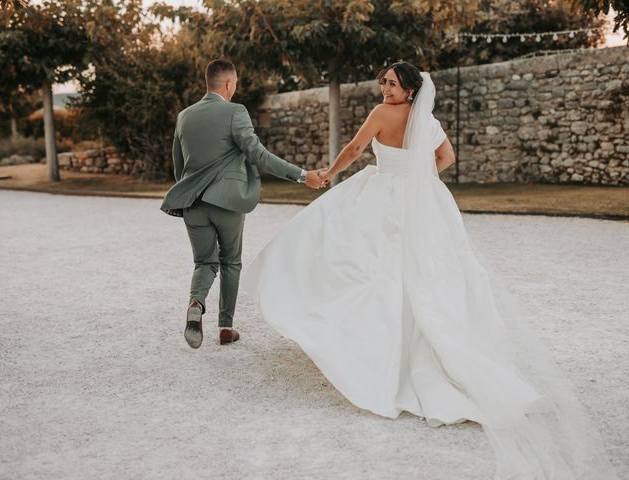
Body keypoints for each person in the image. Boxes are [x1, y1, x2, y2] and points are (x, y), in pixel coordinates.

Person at [243, 62, 618, 479]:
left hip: (383, 195)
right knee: (416, 271)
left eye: (393, 83)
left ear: (409, 89)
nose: (385, 89)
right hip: (422, 201)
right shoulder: (427, 120)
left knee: (357, 260)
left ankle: (373, 348)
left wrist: (327, 175)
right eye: (384, 82)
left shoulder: (381, 115)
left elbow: (353, 150)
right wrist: (419, 180)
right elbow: (447, 156)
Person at [160, 59, 326, 349]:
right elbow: (259, 156)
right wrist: (302, 175)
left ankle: (196, 302)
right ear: (228, 84)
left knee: (204, 262)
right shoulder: (236, 112)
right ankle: (225, 328)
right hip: (227, 201)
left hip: (193, 203)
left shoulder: (184, 116)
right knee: (230, 262)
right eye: (234, 84)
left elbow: (178, 166)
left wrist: (189, 195)